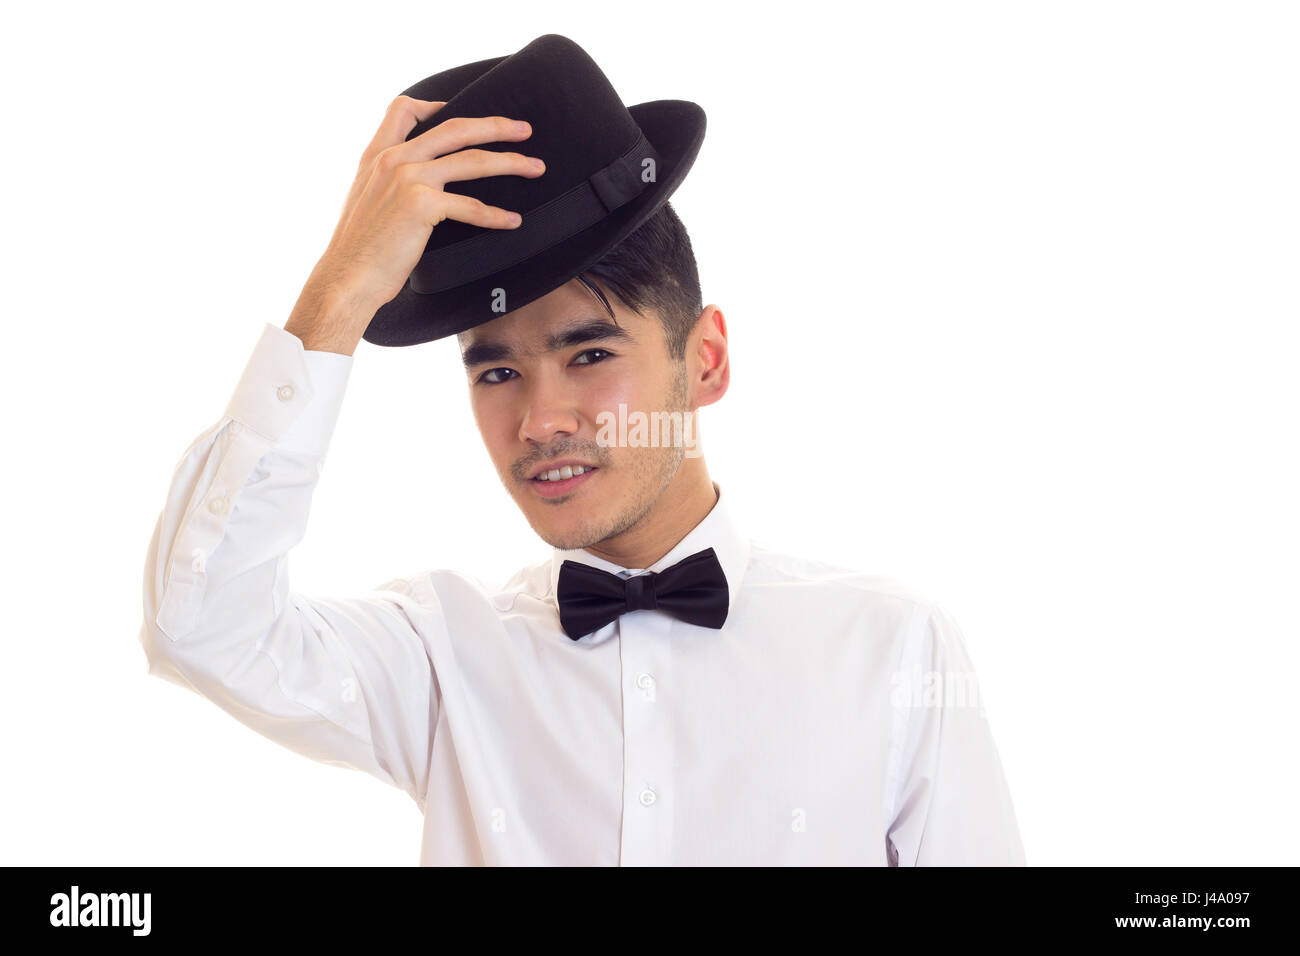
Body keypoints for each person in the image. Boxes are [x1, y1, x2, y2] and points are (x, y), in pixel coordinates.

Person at [139, 37, 1026, 866]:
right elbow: (201, 626)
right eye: (496, 374)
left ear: (705, 359)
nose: (540, 421)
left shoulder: (892, 647)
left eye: (589, 355)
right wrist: (340, 290)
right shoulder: (441, 655)